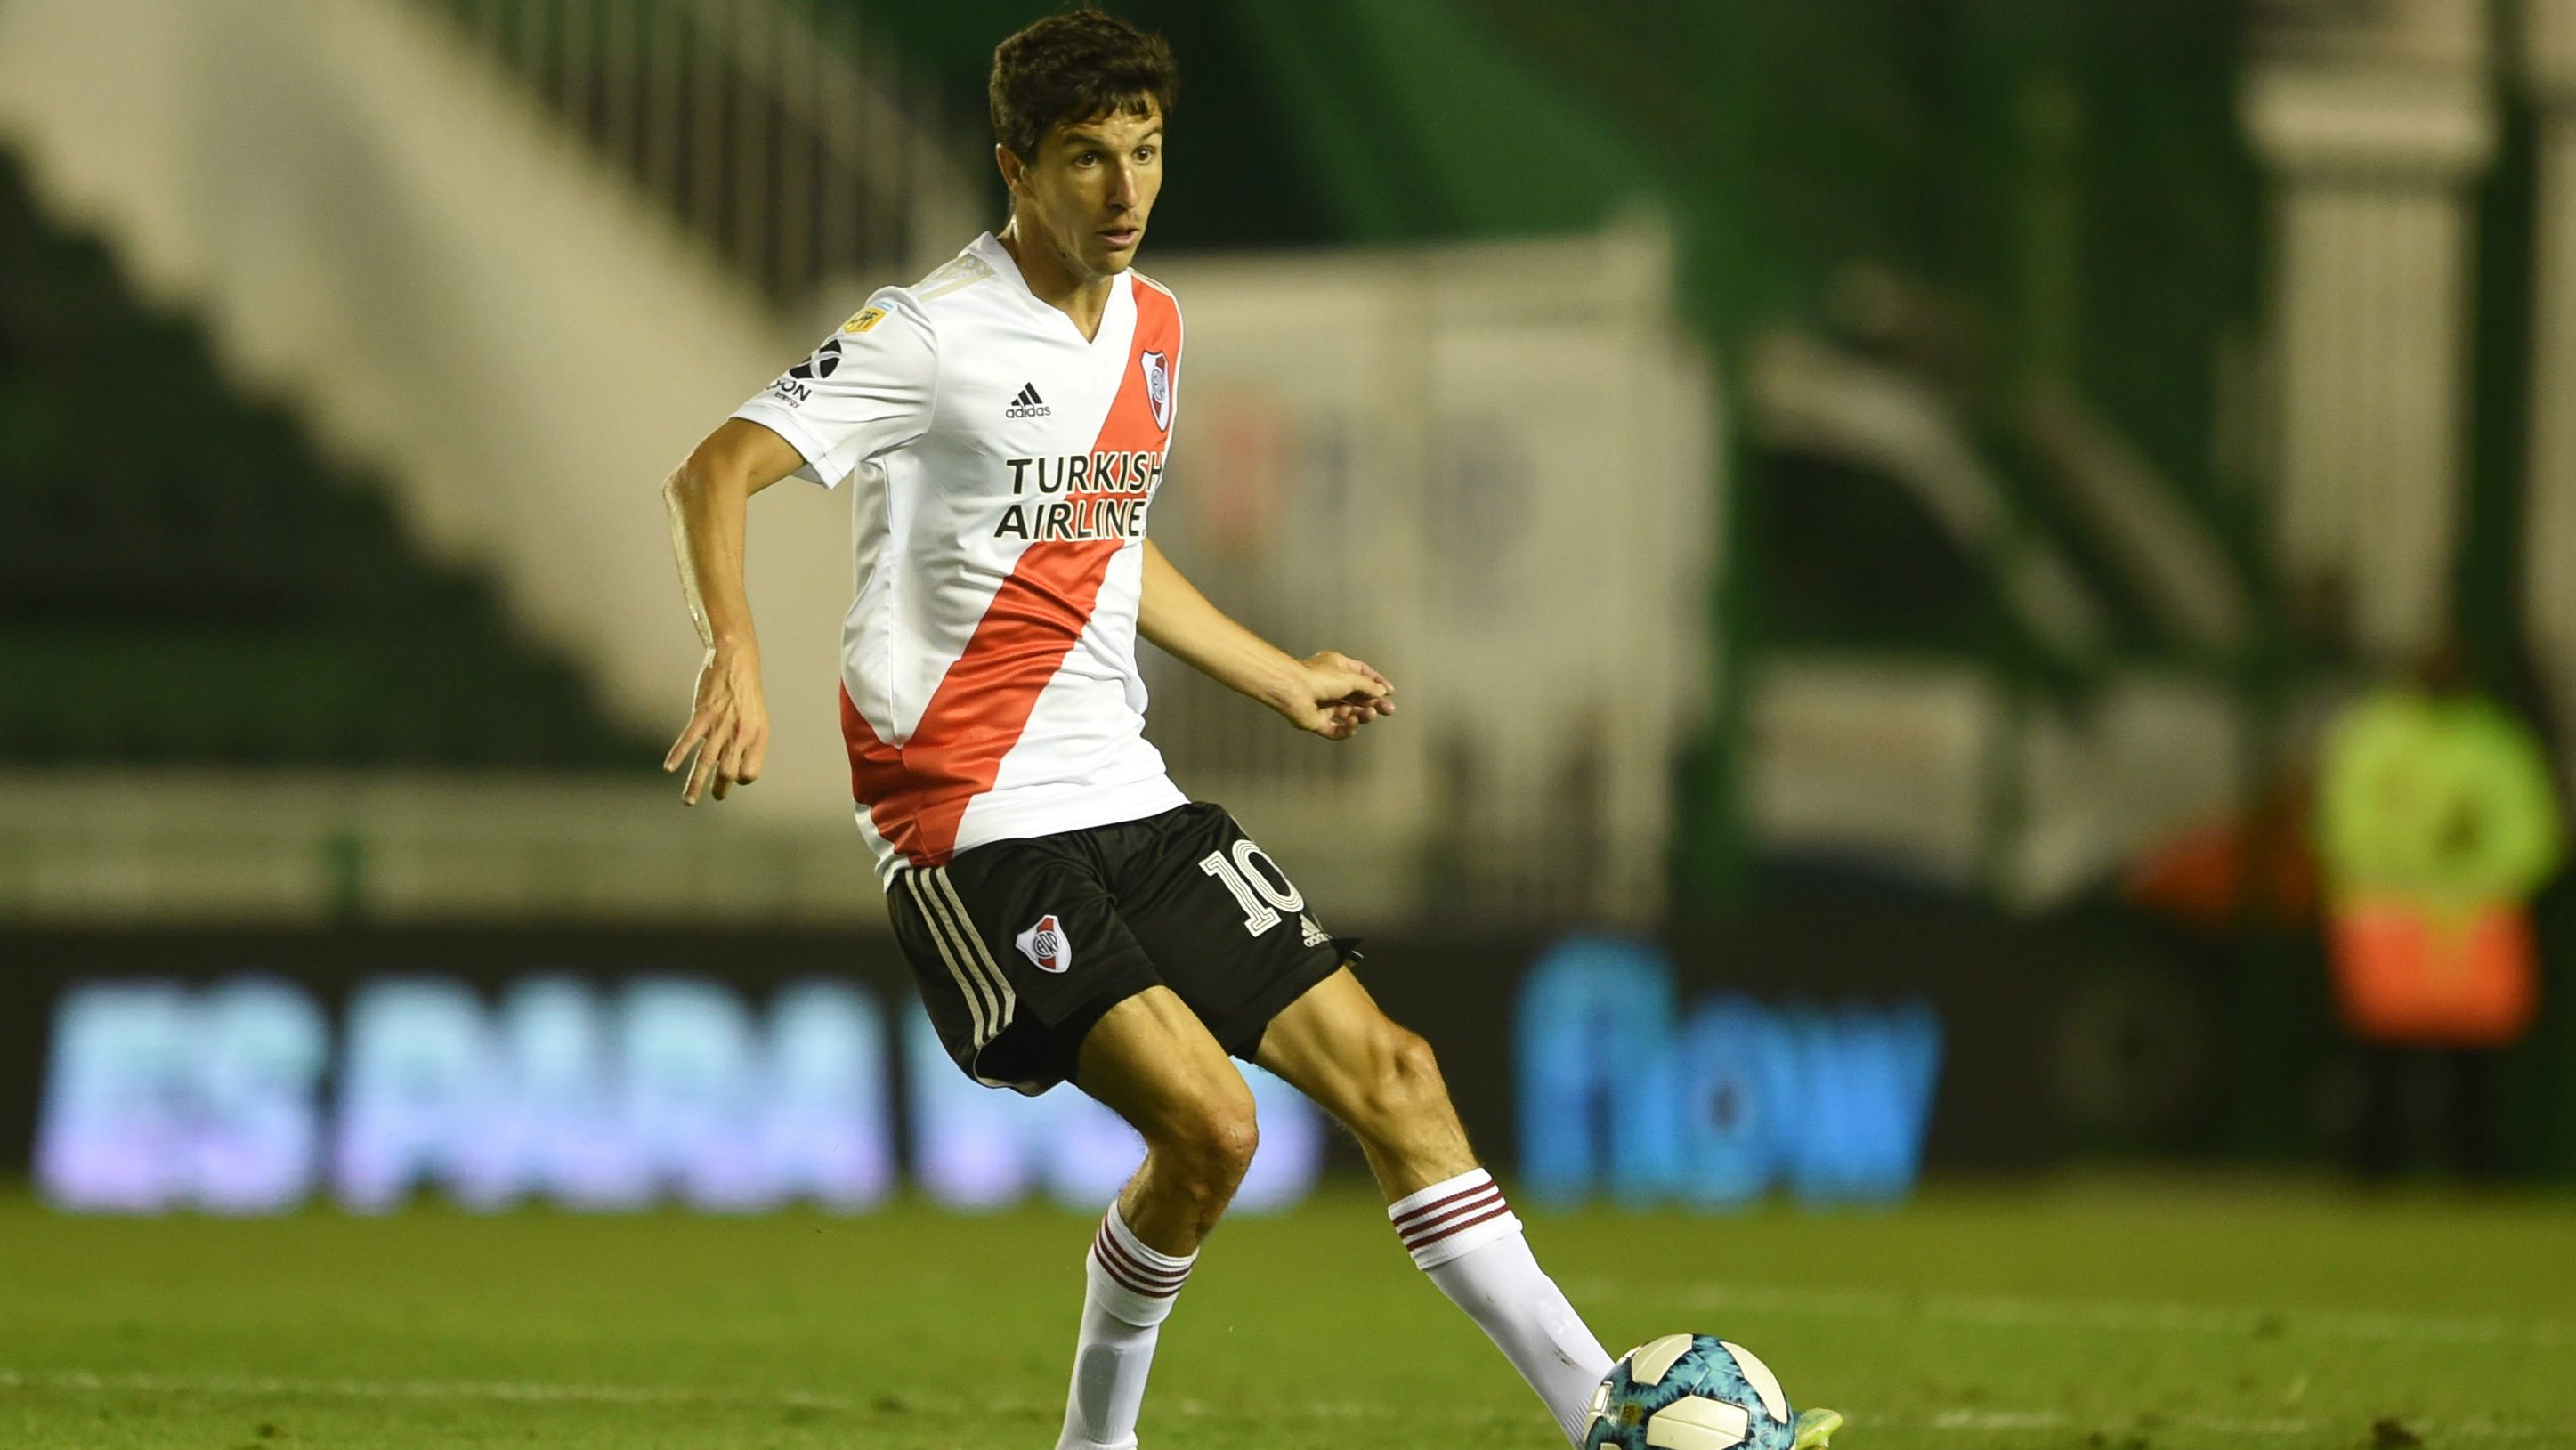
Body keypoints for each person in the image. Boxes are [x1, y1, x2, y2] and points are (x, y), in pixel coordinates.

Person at [657, 12, 1837, 1449]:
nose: (1123, 191)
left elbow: (1103, 543)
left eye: (1144, 152)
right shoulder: (928, 332)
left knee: (1395, 1071)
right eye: (1085, 159)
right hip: (971, 823)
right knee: (1212, 1129)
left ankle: (1599, 1409)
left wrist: (1272, 674)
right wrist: (738, 650)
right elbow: (713, 470)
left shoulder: (1151, 325)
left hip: (1129, 795)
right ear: (1014, 169)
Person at [2314, 639, 2565, 1178]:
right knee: (2381, 1056)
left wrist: (2477, 861)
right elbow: (2342, 822)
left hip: (2472, 922)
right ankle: (2372, 1171)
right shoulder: (2372, 737)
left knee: (2471, 1060)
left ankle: (2474, 1171)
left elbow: (2533, 831)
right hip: (2389, 923)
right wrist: (2425, 851)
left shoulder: (2495, 742)